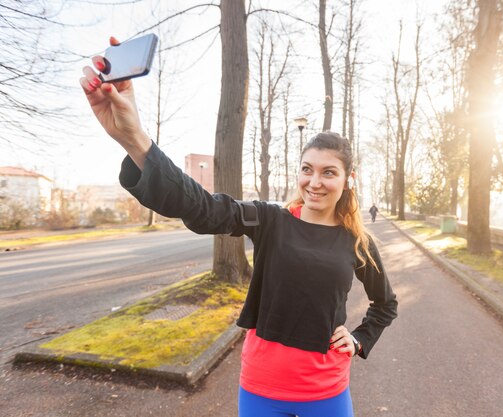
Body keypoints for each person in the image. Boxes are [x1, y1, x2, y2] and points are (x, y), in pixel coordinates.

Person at [80, 37, 398, 417]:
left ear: (348, 179)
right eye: (307, 169)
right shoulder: (269, 219)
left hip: (326, 393)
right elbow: (202, 209)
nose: (315, 182)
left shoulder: (356, 241)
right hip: (261, 389)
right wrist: (135, 140)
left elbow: (385, 304)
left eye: (329, 172)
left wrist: (360, 339)